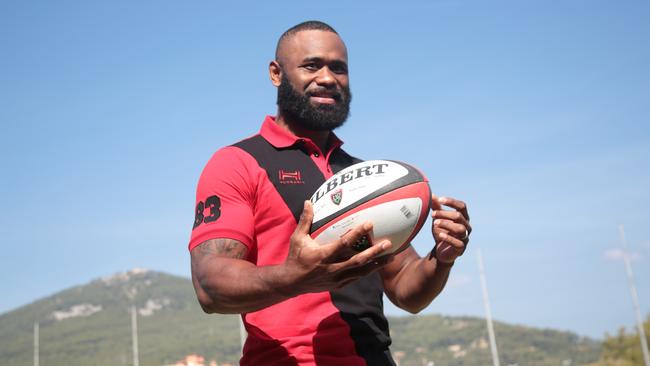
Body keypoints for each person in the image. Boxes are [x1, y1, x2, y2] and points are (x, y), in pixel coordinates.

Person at [189, 20, 471, 366]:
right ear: (276, 74)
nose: (327, 78)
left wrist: (441, 258)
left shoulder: (364, 179)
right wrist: (296, 278)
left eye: (339, 68)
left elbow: (406, 290)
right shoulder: (238, 162)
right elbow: (209, 285)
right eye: (312, 65)